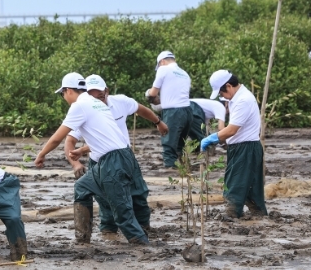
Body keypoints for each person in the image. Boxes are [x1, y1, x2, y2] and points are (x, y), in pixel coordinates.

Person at [35, 72, 157, 245]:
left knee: (123, 215)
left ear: (69, 90)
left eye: (63, 94)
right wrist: (83, 150)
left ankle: (144, 249)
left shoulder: (79, 106)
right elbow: (106, 138)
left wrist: (41, 154)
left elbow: (57, 138)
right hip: (118, 157)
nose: (64, 97)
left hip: (113, 163)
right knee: (82, 186)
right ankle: (82, 239)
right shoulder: (97, 104)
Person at [64, 74, 167, 235]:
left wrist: (158, 122)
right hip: (100, 161)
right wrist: (75, 163)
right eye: (90, 93)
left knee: (138, 194)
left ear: (106, 91)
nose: (95, 97)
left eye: (99, 93)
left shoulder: (120, 102)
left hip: (124, 157)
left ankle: (143, 229)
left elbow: (141, 109)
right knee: (106, 201)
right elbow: (69, 141)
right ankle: (109, 232)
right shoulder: (85, 107)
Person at [200, 70, 267, 218]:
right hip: (245, 147)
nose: (222, 96)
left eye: (221, 93)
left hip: (245, 149)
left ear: (229, 86)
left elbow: (231, 130)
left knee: (234, 184)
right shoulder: (238, 98)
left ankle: (231, 215)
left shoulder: (243, 100)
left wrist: (212, 138)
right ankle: (259, 215)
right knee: (251, 187)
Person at [146, 51, 200, 168]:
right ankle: (182, 168)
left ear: (162, 62)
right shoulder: (185, 74)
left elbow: (153, 93)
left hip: (173, 113)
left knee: (169, 144)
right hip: (187, 111)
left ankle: (170, 172)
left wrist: (148, 95)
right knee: (180, 144)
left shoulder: (163, 69)